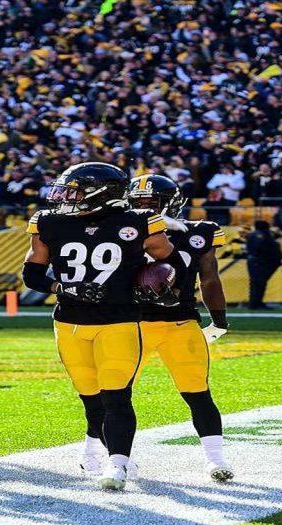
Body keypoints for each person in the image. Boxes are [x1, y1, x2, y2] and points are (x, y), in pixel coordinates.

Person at [23, 163, 175, 491]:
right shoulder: (50, 222)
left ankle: (118, 463)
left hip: (118, 320)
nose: (66, 197)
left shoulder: (139, 220)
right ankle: (111, 455)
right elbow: (32, 275)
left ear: (103, 192)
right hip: (70, 322)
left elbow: (164, 255)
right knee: (91, 399)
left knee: (117, 395)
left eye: (75, 191)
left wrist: (148, 274)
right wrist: (63, 288)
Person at [126, 174, 233, 482]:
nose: (144, 208)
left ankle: (216, 459)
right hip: (133, 324)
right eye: (138, 203)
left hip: (181, 322)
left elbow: (210, 279)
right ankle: (107, 456)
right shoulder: (121, 229)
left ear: (170, 203)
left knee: (198, 392)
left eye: (151, 203)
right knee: (115, 393)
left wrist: (220, 321)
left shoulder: (199, 232)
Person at [245, 220, 281, 309]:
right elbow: (269, 248)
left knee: (254, 283)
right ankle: (257, 302)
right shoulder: (265, 235)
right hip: (262, 262)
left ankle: (254, 302)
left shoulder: (251, 235)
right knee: (260, 283)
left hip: (253, 261)